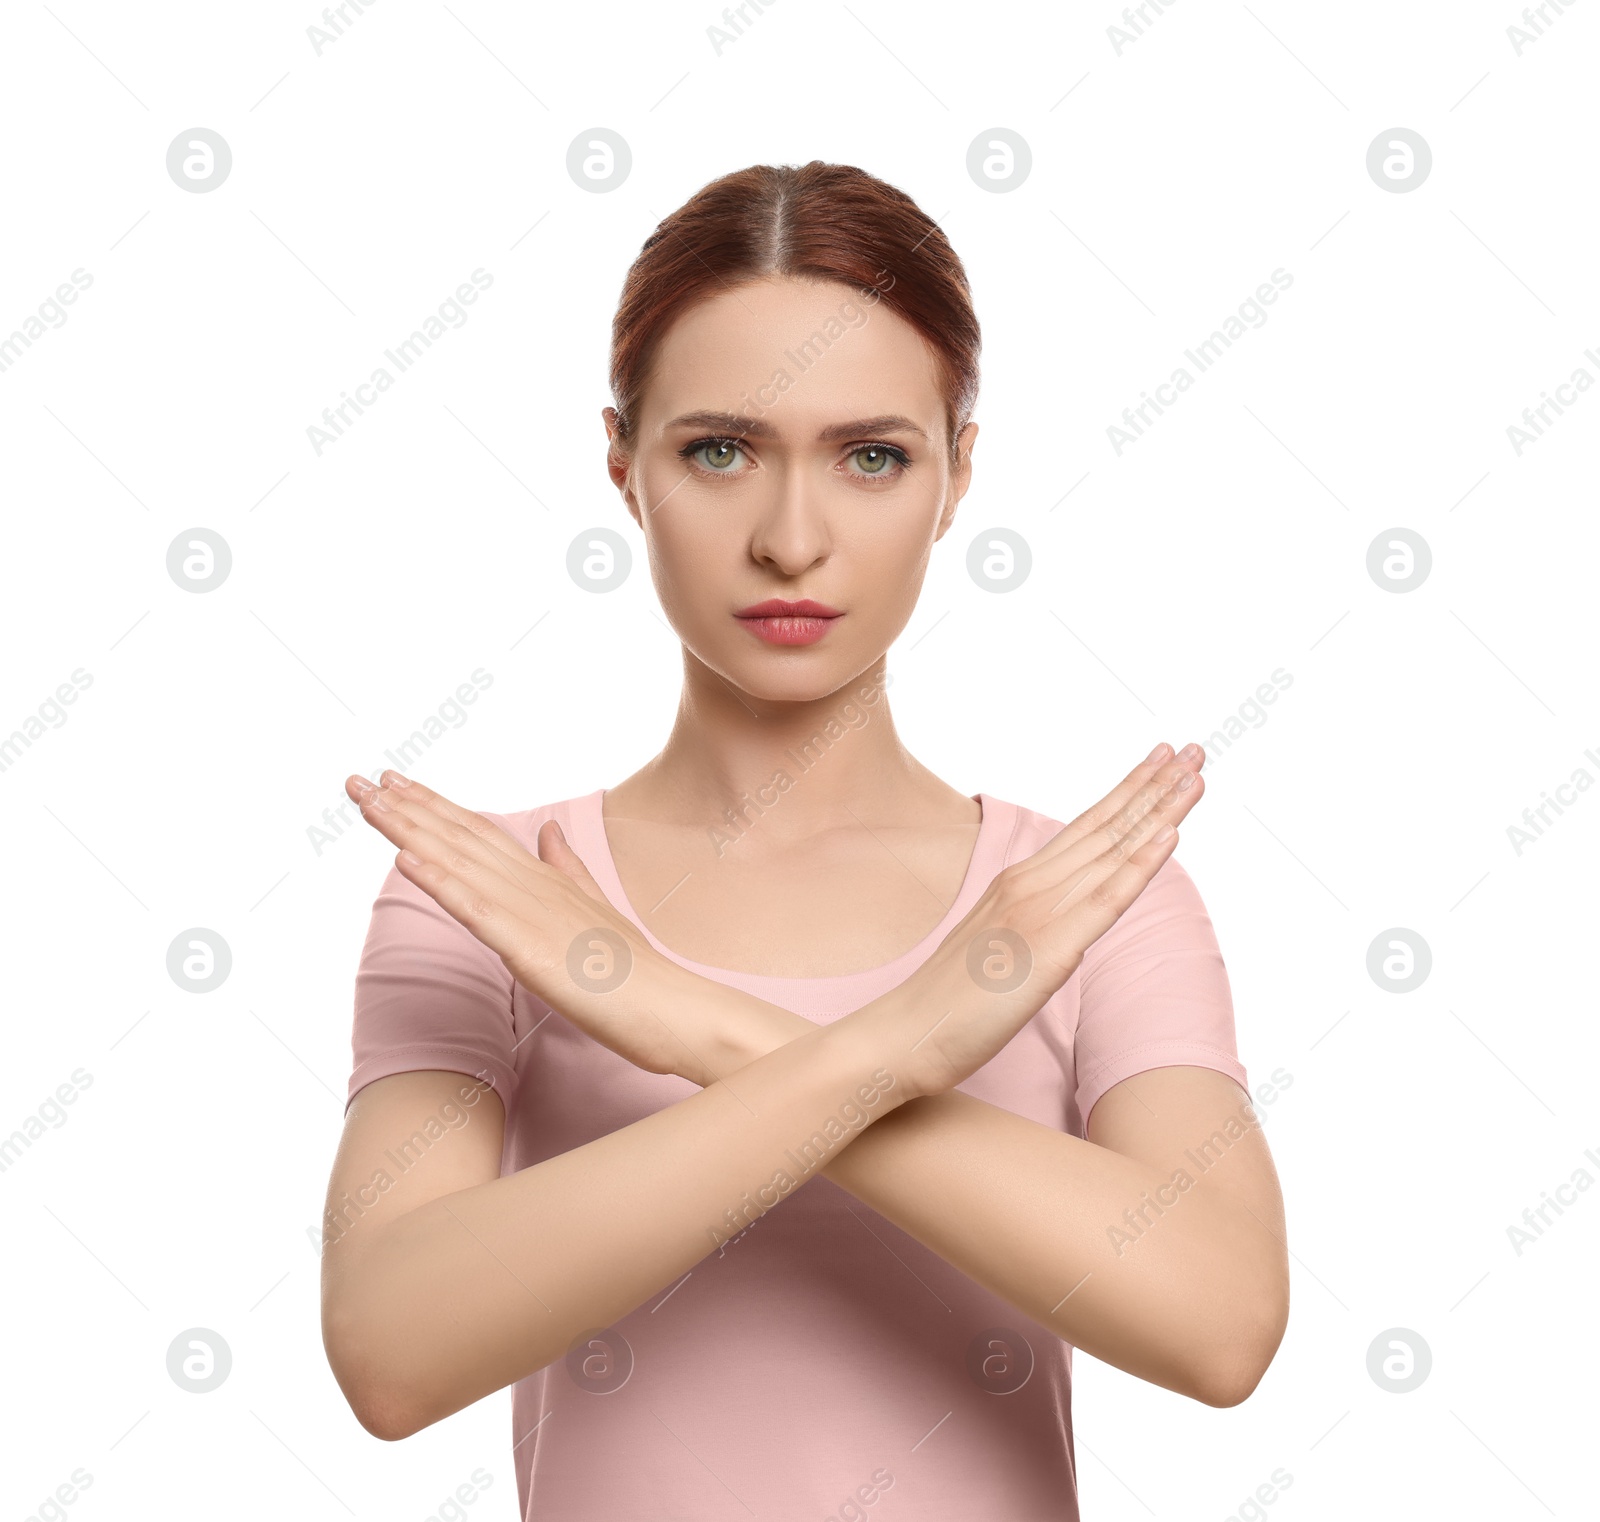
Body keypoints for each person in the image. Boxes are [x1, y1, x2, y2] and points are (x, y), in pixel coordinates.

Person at [318, 160, 1288, 1521]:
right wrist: (900, 1044)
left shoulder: (1087, 899)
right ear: (623, 466)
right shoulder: (487, 897)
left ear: (958, 474)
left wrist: (680, 1019)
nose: (790, 538)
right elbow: (391, 1350)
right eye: (720, 449)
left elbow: (1221, 1320)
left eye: (872, 456)